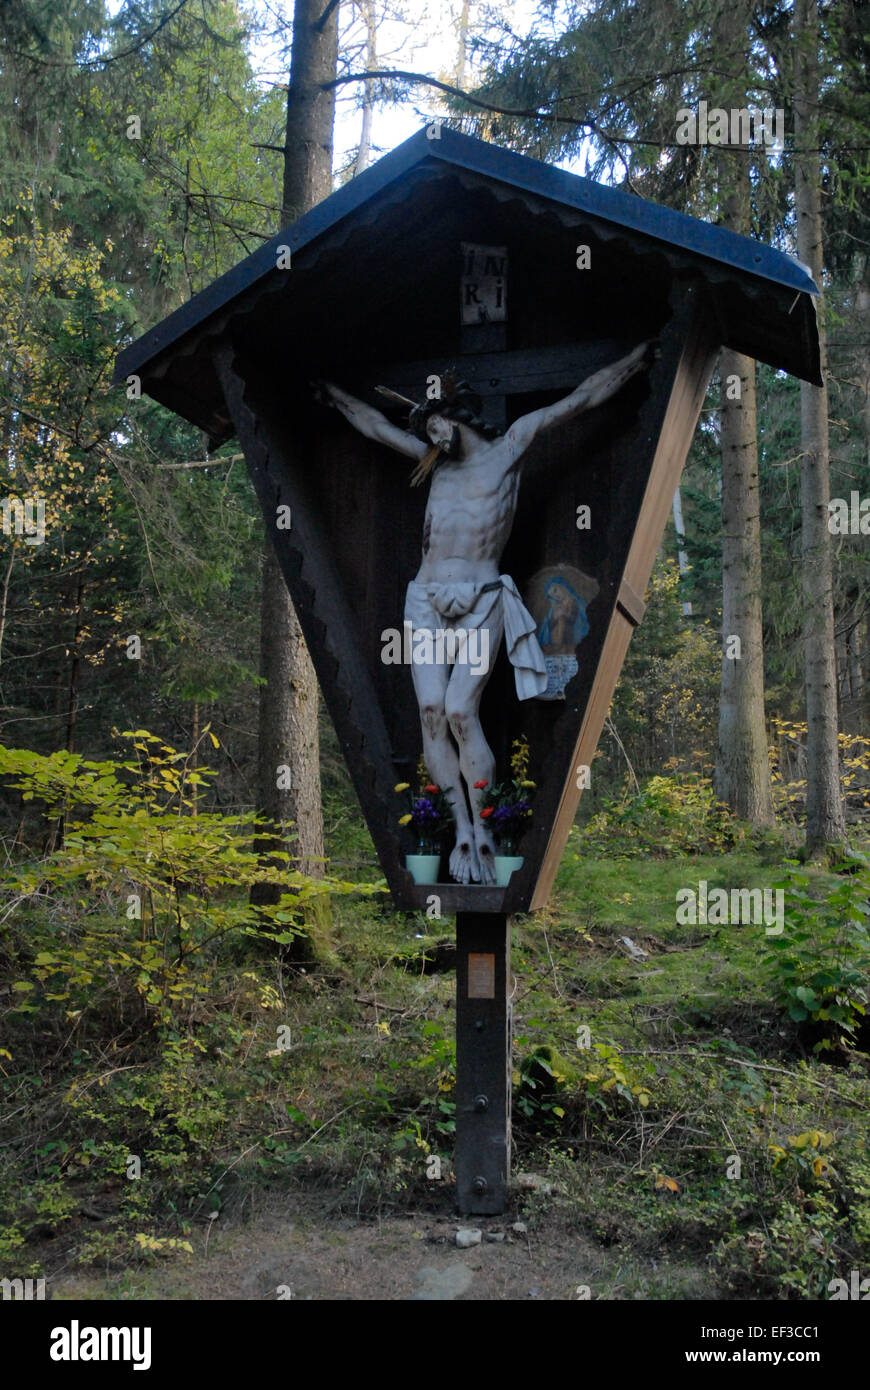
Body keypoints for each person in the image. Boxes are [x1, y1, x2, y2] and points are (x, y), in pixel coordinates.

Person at [317, 342, 652, 883]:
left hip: (480, 600)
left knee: (458, 712)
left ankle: (487, 830)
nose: (429, 440)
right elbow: (375, 427)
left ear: (454, 419)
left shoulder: (509, 448)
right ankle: (461, 833)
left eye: (434, 428)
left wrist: (633, 361)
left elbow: (579, 400)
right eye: (424, 433)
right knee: (429, 712)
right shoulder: (433, 462)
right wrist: (334, 397)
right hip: (425, 599)